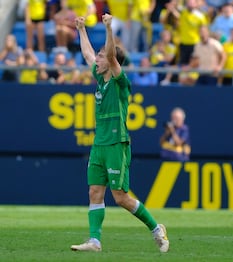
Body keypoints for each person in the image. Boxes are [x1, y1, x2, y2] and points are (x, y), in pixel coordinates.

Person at [70, 14, 169, 252]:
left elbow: (112, 55)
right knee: (95, 191)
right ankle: (94, 240)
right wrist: (81, 30)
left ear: (112, 61)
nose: (97, 58)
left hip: (117, 143)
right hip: (100, 144)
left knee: (121, 197)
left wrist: (108, 28)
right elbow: (86, 54)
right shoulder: (100, 78)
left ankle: (157, 229)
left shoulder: (119, 81)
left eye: (101, 55)